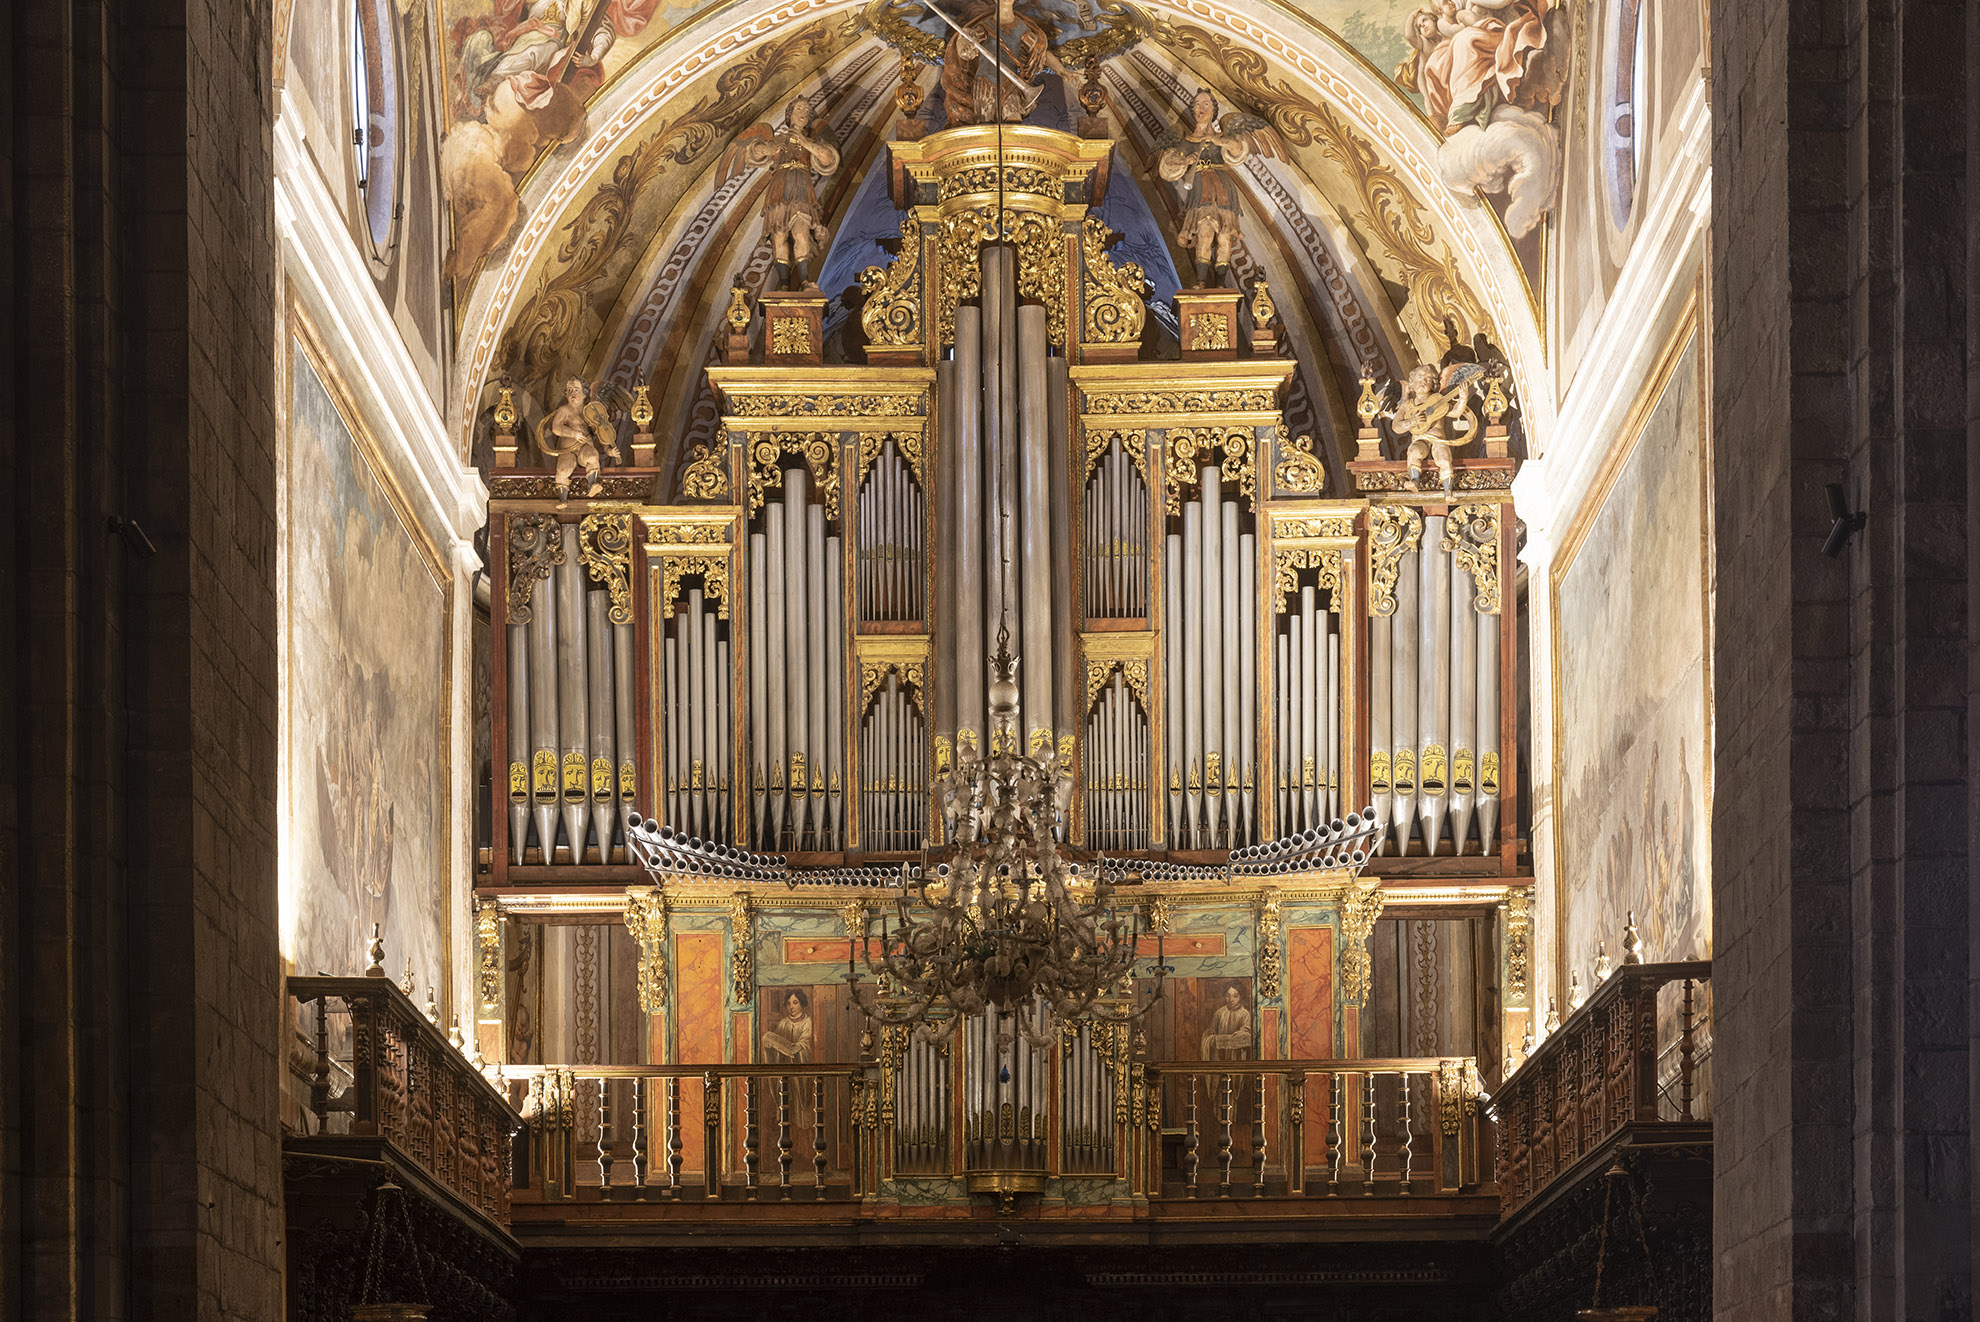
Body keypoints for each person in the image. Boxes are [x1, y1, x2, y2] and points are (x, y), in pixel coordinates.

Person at [1154, 90, 1285, 287]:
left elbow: (1237, 149)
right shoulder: (1187, 141)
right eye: (1197, 105)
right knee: (1204, 233)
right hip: (1200, 191)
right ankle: (1201, 281)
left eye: (1206, 104)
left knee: (1224, 236)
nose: (1201, 109)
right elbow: (1168, 164)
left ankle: (1221, 284)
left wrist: (1217, 141)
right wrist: (1184, 160)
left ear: (1214, 110)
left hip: (1223, 190)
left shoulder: (1223, 136)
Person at [719, 97, 841, 289]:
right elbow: (753, 153)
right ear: (790, 114)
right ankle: (784, 284)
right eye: (799, 109)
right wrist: (769, 148)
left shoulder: (812, 141)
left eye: (807, 111)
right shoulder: (778, 139)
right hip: (779, 187)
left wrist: (804, 142)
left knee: (801, 232)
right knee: (779, 235)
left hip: (801, 187)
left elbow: (828, 158)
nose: (803, 113)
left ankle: (804, 280)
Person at [939, 0, 1072, 127]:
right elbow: (965, 48)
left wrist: (1062, 70)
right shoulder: (985, 26)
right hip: (985, 85)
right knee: (985, 126)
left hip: (1010, 85)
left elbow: (1040, 53)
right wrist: (966, 46)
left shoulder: (1020, 27)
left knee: (1014, 122)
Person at [1200, 983, 1252, 1060]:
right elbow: (1210, 1032)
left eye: (1235, 996)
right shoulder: (1219, 1013)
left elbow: (1247, 1035)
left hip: (1237, 1056)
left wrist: (1237, 1036)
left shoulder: (1245, 1014)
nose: (1231, 999)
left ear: (1240, 997)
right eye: (1228, 996)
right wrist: (1210, 1038)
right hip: (1219, 1055)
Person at [762, 988, 814, 1063]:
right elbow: (776, 1043)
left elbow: (806, 1045)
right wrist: (770, 1045)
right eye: (788, 1004)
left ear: (802, 1004)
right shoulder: (783, 1023)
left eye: (795, 1003)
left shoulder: (808, 1022)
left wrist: (795, 1048)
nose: (791, 1007)